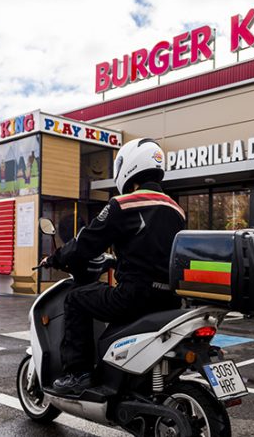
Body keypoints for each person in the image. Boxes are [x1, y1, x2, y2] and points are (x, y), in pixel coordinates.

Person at [42, 138, 186, 395]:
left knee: (76, 298)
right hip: (169, 299)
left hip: (134, 297)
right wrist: (115, 261)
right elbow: (153, 254)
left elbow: (86, 243)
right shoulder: (176, 209)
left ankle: (79, 374)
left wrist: (56, 258)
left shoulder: (124, 204)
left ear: (129, 166)